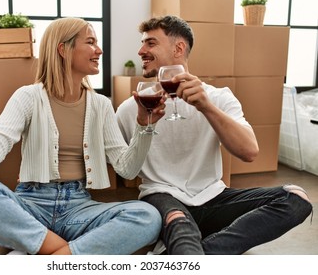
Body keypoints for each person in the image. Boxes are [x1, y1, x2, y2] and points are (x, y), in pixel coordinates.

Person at [0, 17, 165, 255]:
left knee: (148, 217)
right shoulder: (28, 97)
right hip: (29, 207)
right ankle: (66, 254)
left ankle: (46, 251)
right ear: (63, 49)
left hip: (78, 210)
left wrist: (145, 127)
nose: (99, 50)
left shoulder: (101, 105)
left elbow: (127, 169)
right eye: (91, 42)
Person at [116, 15, 313, 255]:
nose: (141, 50)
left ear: (179, 48)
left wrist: (206, 107)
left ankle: (194, 256)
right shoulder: (131, 108)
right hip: (163, 197)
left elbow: (249, 152)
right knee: (181, 226)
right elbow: (125, 169)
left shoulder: (219, 98)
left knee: (296, 198)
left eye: (150, 43)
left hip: (214, 197)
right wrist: (142, 124)